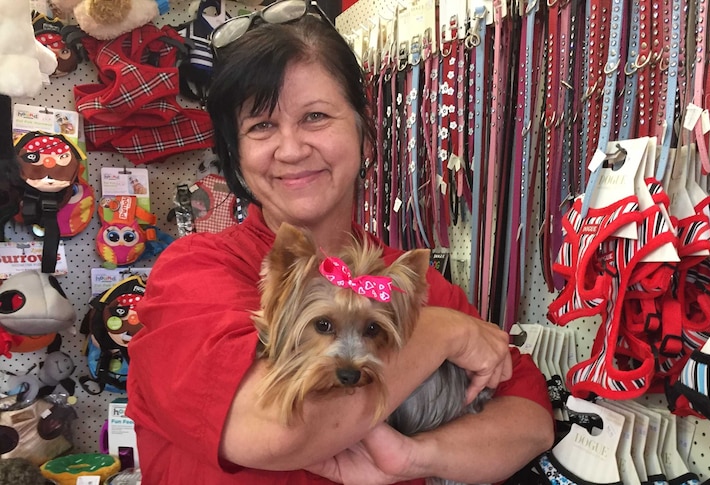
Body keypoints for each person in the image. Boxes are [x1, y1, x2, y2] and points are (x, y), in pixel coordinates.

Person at [125, 3, 554, 484]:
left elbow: (531, 421)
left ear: (365, 133)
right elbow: (271, 431)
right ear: (236, 154)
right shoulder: (194, 271)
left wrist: (414, 457)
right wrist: (441, 333)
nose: (291, 149)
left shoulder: (412, 276)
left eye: (315, 116)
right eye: (261, 126)